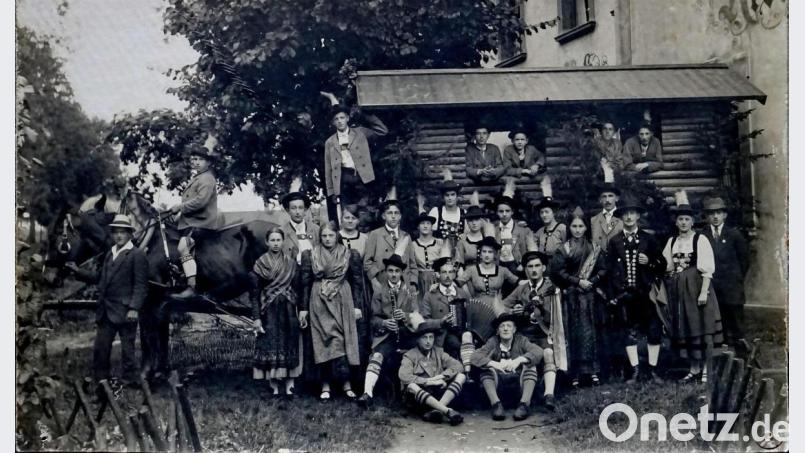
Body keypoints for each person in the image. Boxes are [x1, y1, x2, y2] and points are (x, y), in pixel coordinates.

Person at [66, 214, 148, 388]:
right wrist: (78, 271)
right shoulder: (110, 254)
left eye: (123, 232)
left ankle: (130, 383)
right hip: (106, 310)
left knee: (128, 352)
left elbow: (141, 286)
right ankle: (102, 383)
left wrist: (134, 308)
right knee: (101, 350)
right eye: (116, 232)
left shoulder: (136, 255)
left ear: (129, 235)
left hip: (126, 311)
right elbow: (100, 277)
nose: (119, 236)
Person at [300, 222, 365, 400]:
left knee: (342, 339)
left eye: (331, 235)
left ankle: (346, 383)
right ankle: (325, 384)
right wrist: (303, 309)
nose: (327, 239)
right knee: (322, 339)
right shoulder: (311, 255)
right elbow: (305, 283)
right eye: (324, 236)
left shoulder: (349, 254)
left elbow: (357, 282)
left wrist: (357, 306)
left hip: (342, 298)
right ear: (319, 238)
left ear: (337, 235)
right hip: (318, 299)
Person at [663, 191, 723, 384]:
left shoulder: (700, 240)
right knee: (687, 328)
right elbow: (667, 265)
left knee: (702, 327)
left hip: (697, 288)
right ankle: (693, 368)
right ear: (676, 222)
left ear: (692, 222)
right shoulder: (672, 242)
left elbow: (707, 269)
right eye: (680, 219)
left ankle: (706, 368)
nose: (683, 223)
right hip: (679, 291)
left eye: (687, 219)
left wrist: (704, 291)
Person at [607, 195, 667, 383]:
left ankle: (653, 370)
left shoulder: (649, 239)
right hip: (625, 294)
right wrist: (613, 294)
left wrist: (650, 262)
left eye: (632, 213)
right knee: (627, 332)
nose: (629, 217)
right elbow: (609, 270)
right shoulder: (615, 241)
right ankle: (634, 370)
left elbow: (662, 264)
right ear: (621, 217)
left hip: (646, 293)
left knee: (654, 330)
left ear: (638, 216)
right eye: (625, 214)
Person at [358, 241, 424, 407]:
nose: (393, 275)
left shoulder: (410, 291)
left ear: (402, 272)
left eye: (397, 271)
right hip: (386, 335)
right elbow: (373, 318)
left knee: (417, 354)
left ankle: (411, 393)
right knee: (378, 355)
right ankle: (367, 393)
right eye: (390, 271)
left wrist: (406, 316)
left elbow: (418, 316)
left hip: (407, 334)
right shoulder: (380, 291)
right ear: (386, 272)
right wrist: (385, 322)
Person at [550, 208, 607, 388]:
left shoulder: (593, 247)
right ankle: (574, 373)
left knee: (591, 333)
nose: (577, 229)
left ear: (585, 228)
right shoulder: (564, 249)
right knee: (573, 333)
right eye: (574, 226)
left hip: (590, 297)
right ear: (569, 227)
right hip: (571, 297)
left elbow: (603, 269)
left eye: (580, 226)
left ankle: (592, 371)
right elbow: (557, 272)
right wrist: (577, 282)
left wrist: (592, 281)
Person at [503, 250, 563, 410]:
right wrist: (513, 311)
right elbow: (503, 306)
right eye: (530, 267)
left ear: (543, 268)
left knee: (548, 353)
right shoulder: (522, 288)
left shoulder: (552, 288)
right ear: (525, 269)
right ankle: (525, 399)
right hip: (524, 334)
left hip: (544, 332)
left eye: (537, 266)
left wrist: (541, 308)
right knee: (525, 357)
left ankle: (549, 395)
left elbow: (556, 317)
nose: (534, 270)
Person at [250, 228, 302, 396]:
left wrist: (301, 311)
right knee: (270, 344)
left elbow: (297, 289)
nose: (275, 243)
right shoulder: (260, 264)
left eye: (278, 240)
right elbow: (255, 294)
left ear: (283, 241)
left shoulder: (291, 263)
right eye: (272, 240)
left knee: (289, 342)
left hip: (288, 308)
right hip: (269, 310)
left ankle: (289, 385)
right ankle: (273, 384)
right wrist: (256, 318)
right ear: (267, 242)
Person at [168, 142, 224, 299]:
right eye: (193, 159)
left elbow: (201, 201)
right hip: (191, 222)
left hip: (201, 222)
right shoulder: (198, 178)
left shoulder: (207, 178)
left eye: (199, 159)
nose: (195, 162)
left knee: (182, 247)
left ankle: (192, 287)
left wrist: (180, 207)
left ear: (208, 162)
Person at [321, 92, 388, 220]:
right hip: (344, 179)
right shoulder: (330, 142)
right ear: (333, 123)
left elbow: (383, 131)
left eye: (342, 118)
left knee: (365, 214)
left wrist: (366, 116)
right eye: (336, 119)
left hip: (362, 177)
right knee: (348, 215)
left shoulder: (360, 132)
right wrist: (332, 192)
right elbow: (328, 169)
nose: (340, 121)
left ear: (347, 118)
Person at [471, 313, 544, 421]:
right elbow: (474, 357)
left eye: (509, 326)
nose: (505, 329)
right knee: (486, 368)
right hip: (499, 388)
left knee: (530, 366)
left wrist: (519, 360)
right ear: (498, 330)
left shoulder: (521, 340)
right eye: (502, 326)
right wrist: (494, 364)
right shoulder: (493, 342)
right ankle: (496, 405)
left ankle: (524, 405)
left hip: (519, 387)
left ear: (514, 329)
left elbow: (538, 351)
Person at [701, 197, 750, 353]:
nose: (715, 217)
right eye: (711, 213)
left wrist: (735, 279)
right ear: (706, 216)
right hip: (713, 289)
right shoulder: (702, 236)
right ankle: (721, 363)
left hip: (732, 289)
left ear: (725, 215)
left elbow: (745, 260)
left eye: (719, 213)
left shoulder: (734, 234)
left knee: (736, 327)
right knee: (718, 327)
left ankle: (742, 361)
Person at [419, 252, 475, 373]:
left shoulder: (462, 293)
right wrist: (441, 322)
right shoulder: (430, 295)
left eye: (451, 272)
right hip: (440, 336)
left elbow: (470, 315)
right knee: (454, 344)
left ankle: (468, 372)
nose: (448, 276)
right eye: (444, 272)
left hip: (461, 335)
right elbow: (423, 322)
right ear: (438, 274)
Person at [398, 326, 466, 425]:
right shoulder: (410, 355)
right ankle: (447, 411)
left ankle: (438, 410)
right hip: (419, 399)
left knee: (461, 376)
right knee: (411, 386)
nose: (428, 341)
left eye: (431, 337)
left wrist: (442, 376)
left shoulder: (439, 352)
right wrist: (430, 381)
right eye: (424, 338)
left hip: (437, 395)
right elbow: (404, 376)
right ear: (418, 339)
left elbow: (458, 365)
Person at [364, 189, 417, 293]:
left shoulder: (406, 236)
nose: (393, 216)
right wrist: (374, 282)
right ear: (384, 216)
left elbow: (412, 264)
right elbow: (367, 263)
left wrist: (413, 283)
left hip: (404, 286)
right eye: (389, 213)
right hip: (382, 283)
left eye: (396, 213)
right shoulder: (375, 234)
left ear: (400, 216)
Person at [457, 229, 520, 308]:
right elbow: (456, 284)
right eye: (484, 251)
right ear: (480, 253)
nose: (487, 255)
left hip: (497, 307)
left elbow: (519, 283)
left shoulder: (503, 270)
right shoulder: (472, 270)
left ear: (495, 254)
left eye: (490, 252)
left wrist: (508, 301)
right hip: (478, 307)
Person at [493, 179, 531, 278]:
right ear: (497, 212)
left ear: (512, 212)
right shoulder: (494, 229)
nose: (504, 214)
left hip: (516, 265)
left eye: (507, 211)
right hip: (499, 264)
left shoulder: (521, 229)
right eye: (501, 211)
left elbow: (525, 249)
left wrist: (522, 264)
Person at [280, 178, 320, 264]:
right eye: (293, 208)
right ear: (288, 210)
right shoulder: (281, 232)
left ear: (305, 210)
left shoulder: (316, 230)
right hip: (292, 273)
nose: (297, 212)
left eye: (300, 208)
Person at [427, 169, 465, 247]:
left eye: (452, 195)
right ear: (443, 197)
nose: (450, 198)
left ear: (457, 196)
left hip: (459, 254)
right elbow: (428, 235)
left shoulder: (464, 213)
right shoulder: (436, 212)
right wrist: (435, 240)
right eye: (447, 195)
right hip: (440, 252)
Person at [411, 208, 444, 295]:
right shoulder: (412, 245)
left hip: (437, 279)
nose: (425, 226)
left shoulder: (439, 243)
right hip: (420, 280)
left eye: (428, 223)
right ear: (418, 226)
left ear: (431, 226)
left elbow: (445, 263)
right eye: (422, 223)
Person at [533, 176, 566, 258]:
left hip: (557, 263)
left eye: (547, 212)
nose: (544, 215)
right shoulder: (540, 231)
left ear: (553, 212)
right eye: (542, 212)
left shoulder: (562, 228)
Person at [454, 191, 486, 267]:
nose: (474, 223)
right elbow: (459, 262)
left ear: (481, 221)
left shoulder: (487, 239)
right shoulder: (462, 242)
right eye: (471, 220)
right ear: (467, 222)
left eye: (477, 220)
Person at [590, 180, 623, 252]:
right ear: (600, 200)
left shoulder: (623, 219)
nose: (607, 200)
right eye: (604, 196)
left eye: (610, 196)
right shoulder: (593, 220)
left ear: (617, 198)